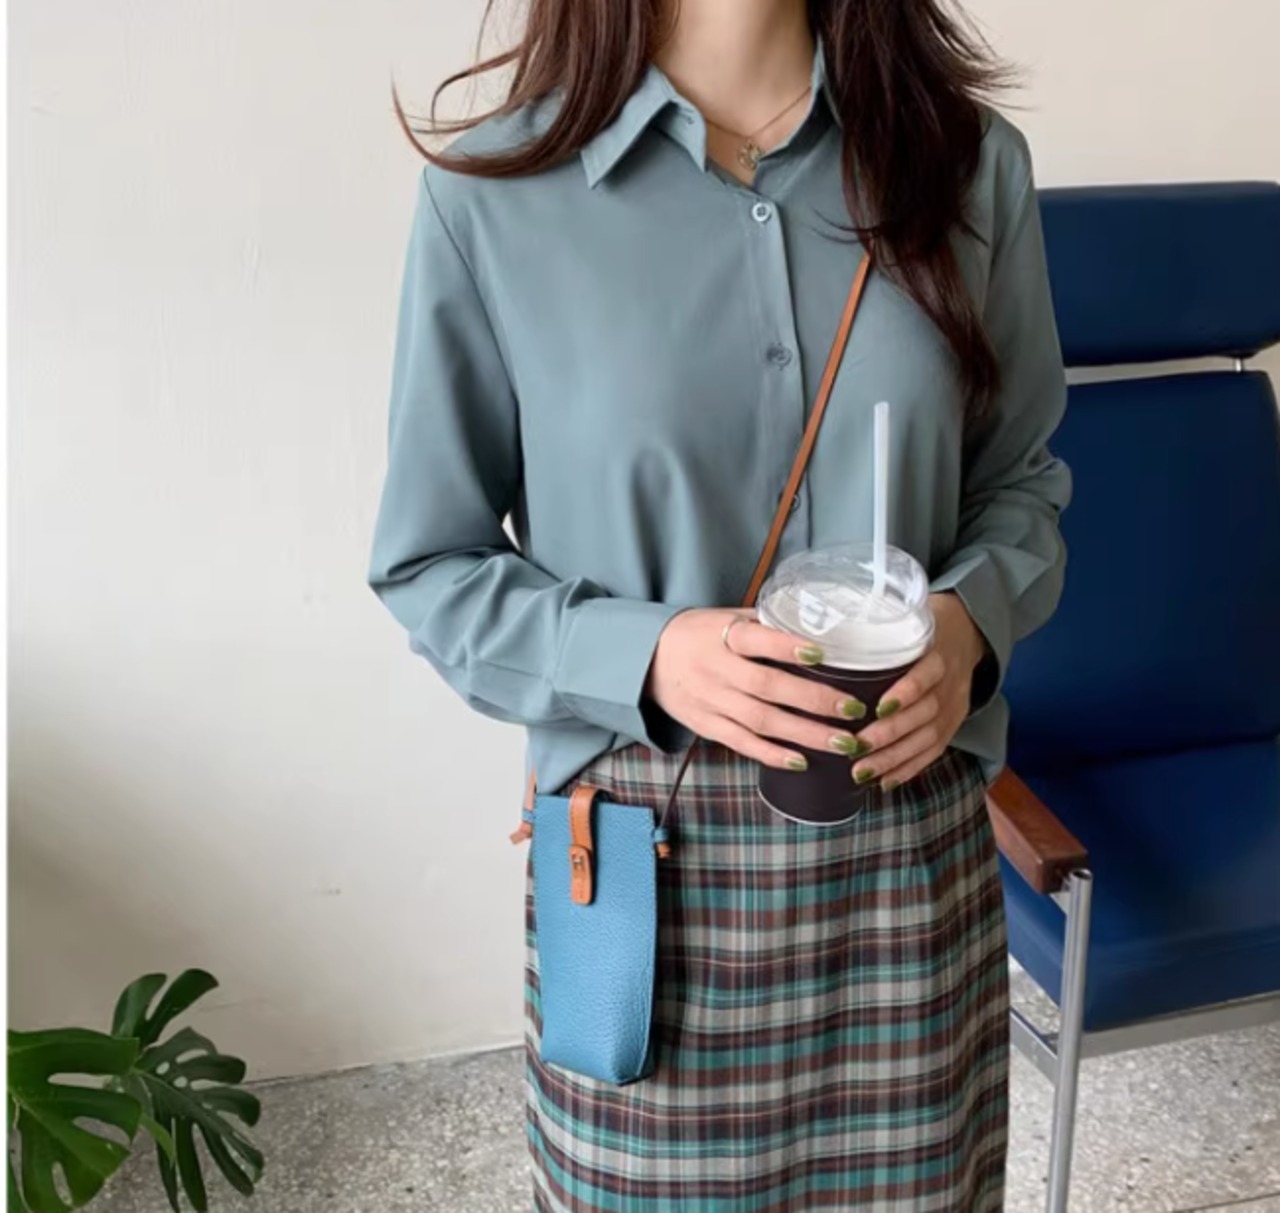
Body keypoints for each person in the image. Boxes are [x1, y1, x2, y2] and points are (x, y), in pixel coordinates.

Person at [368, 0, 1071, 1206]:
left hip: (904, 847)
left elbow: (1021, 484)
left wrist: (966, 626)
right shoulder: (491, 198)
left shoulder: (964, 165)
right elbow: (429, 565)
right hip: (648, 860)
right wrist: (645, 655)